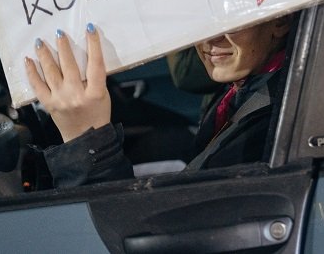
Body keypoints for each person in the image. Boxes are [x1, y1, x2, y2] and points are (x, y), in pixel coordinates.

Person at [24, 17, 292, 188]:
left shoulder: (276, 122)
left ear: (280, 21)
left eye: (230, 18)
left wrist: (85, 140)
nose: (212, 37)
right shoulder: (244, 90)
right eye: (202, 19)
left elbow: (157, 233)